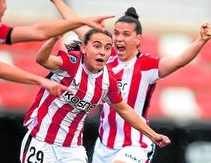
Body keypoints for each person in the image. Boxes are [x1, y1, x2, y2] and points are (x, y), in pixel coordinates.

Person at [42, 0, 211, 163]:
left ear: (138, 39)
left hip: (134, 146)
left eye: (125, 34)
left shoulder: (147, 66)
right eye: (116, 33)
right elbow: (78, 24)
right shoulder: (105, 56)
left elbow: (179, 61)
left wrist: (201, 40)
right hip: (104, 146)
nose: (118, 39)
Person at [0, 0, 115, 163]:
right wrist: (40, 80)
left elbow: (38, 31)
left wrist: (83, 21)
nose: (6, 8)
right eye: (4, 2)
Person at [20, 28, 170, 163]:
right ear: (84, 48)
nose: (102, 52)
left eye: (107, 48)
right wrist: (53, 39)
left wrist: (152, 135)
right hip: (41, 139)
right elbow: (41, 59)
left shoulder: (108, 81)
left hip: (72, 148)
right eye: (97, 46)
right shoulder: (72, 62)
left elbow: (124, 110)